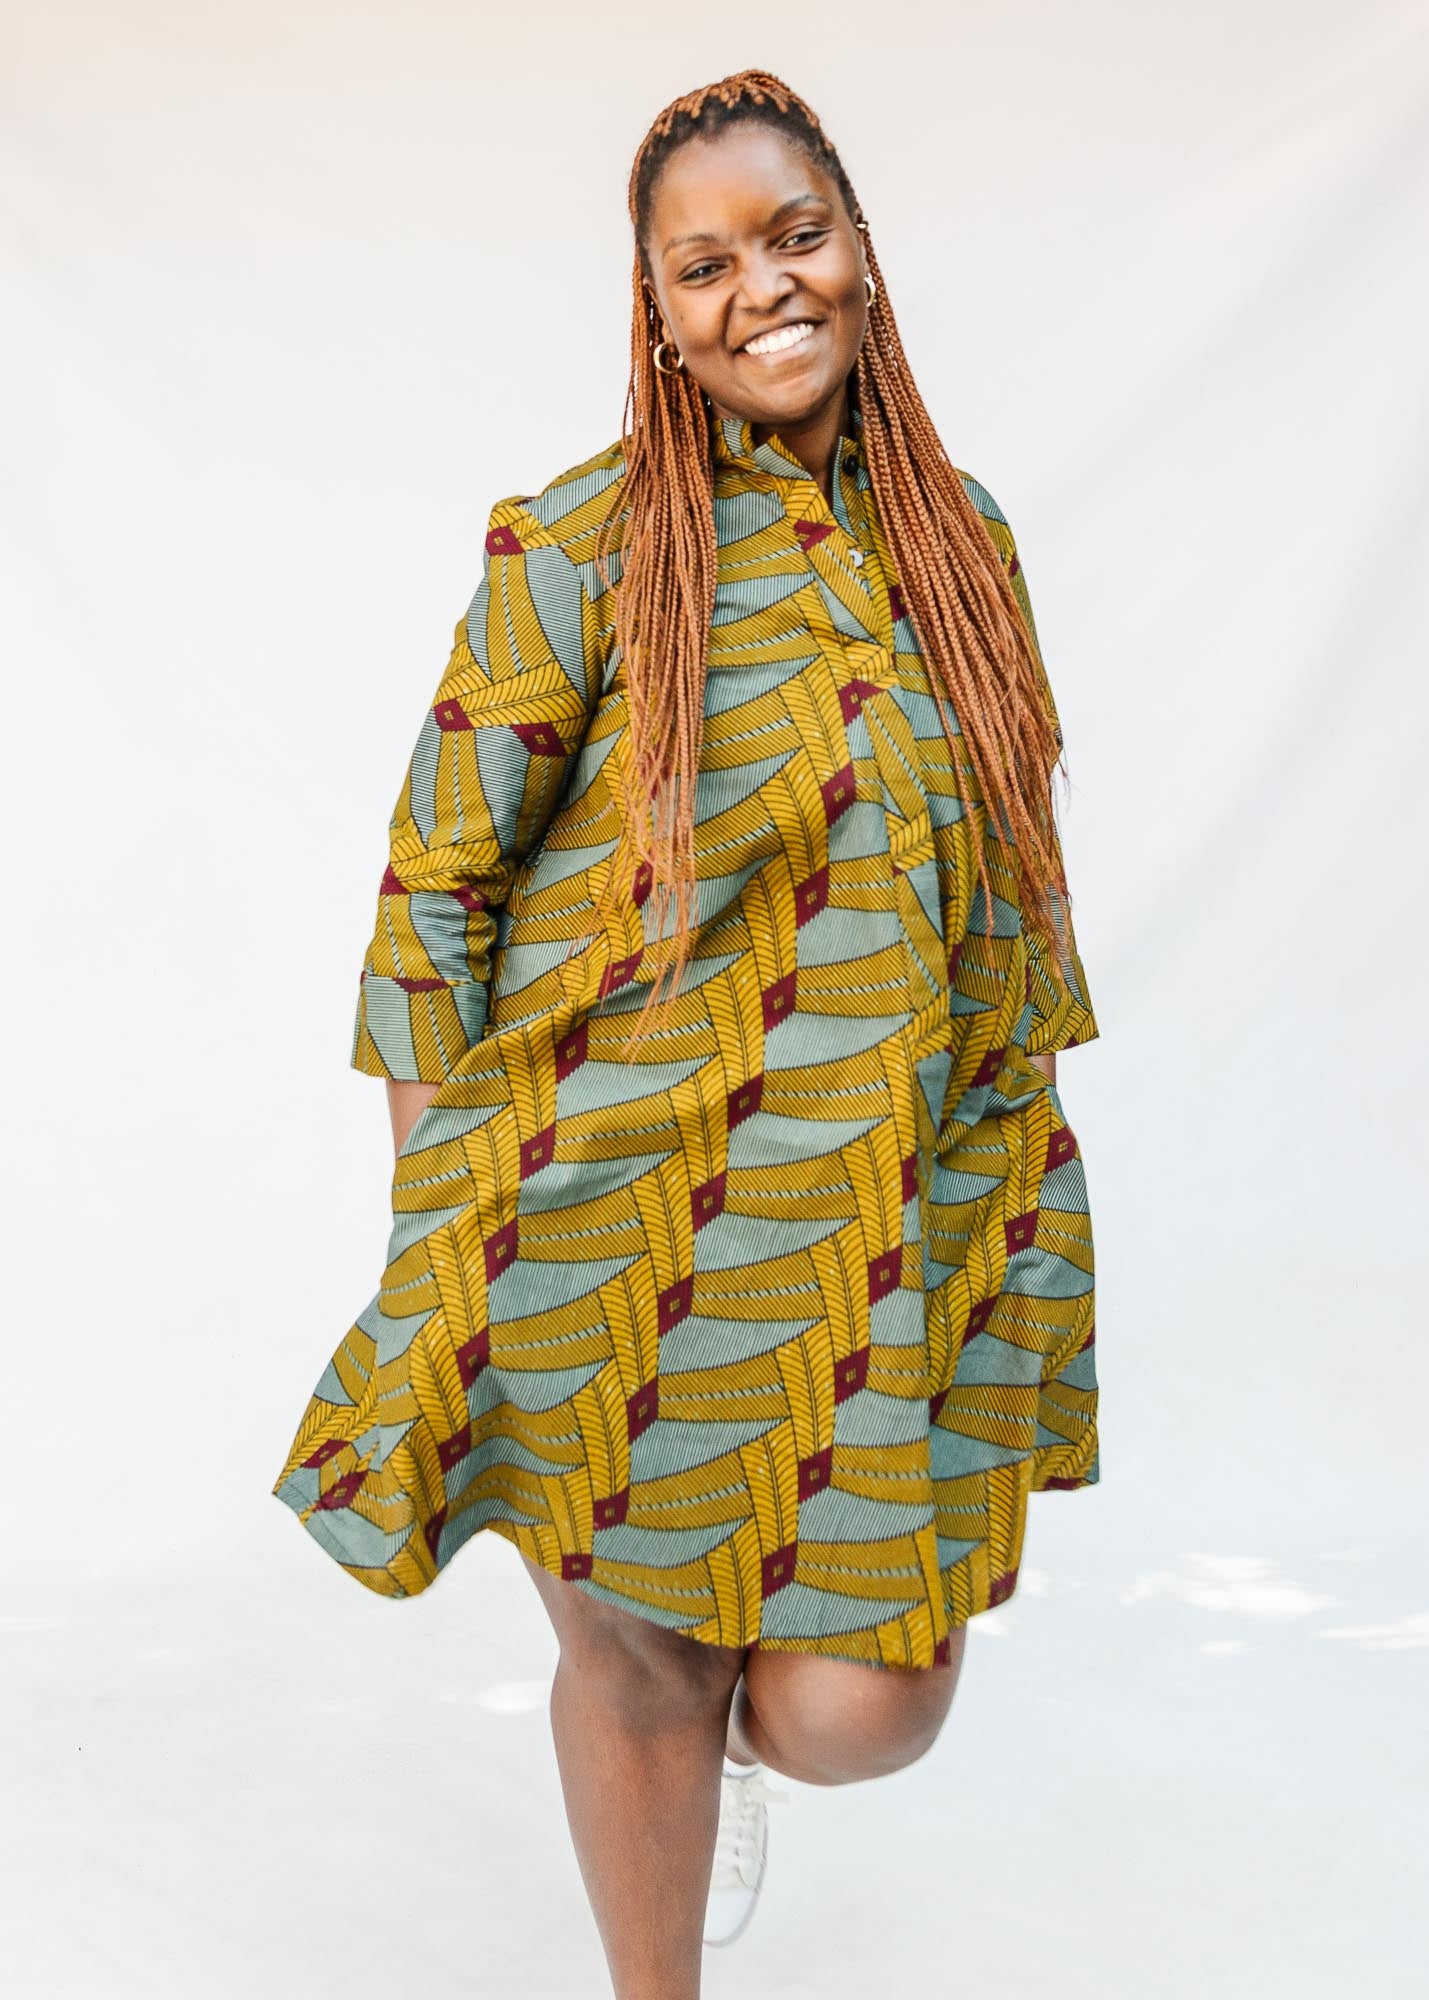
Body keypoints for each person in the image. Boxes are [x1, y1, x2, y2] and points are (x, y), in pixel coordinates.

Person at [271, 66, 1101, 2000]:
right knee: (641, 1660)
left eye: (792, 236)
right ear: (654, 308)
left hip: (875, 1210)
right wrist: (440, 1237)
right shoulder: (577, 545)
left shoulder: (959, 542)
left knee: (858, 1712)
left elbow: (1010, 897)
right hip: (601, 1206)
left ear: (861, 251)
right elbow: (433, 897)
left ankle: (710, 1746)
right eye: (701, 264)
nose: (758, 289)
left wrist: (1017, 1201)